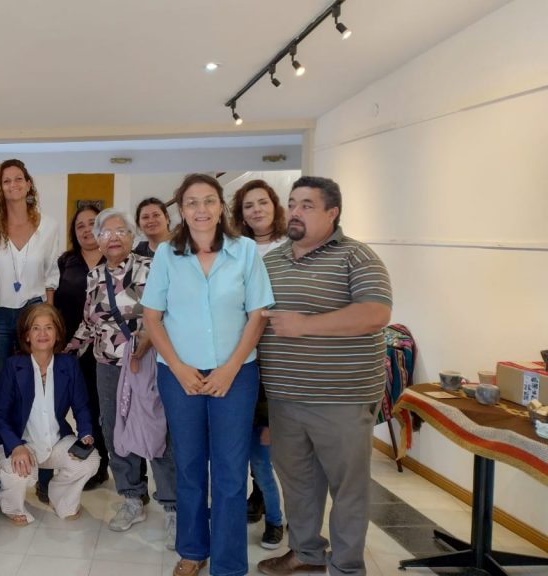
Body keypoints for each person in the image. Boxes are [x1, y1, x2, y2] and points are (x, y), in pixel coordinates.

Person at [256, 176, 392, 576]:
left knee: (347, 489)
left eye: (307, 205)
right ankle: (306, 553)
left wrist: (306, 325)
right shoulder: (271, 261)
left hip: (341, 399)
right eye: (293, 203)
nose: (295, 211)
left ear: (332, 213)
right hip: (284, 399)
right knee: (298, 484)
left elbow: (375, 314)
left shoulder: (357, 257)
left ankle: (347, 567)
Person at [141, 174, 274, 576]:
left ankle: (230, 564)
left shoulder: (245, 251)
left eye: (209, 201)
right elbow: (152, 317)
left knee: (231, 470)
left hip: (236, 374)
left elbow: (257, 316)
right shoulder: (167, 254)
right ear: (181, 210)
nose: (201, 209)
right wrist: (179, 368)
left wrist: (231, 367)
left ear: (221, 207)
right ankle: (193, 549)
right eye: (192, 202)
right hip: (180, 375)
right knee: (191, 465)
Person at [65, 208, 178, 544]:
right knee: (115, 430)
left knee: (157, 430)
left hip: (147, 363)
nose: (112, 237)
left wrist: (145, 344)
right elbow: (89, 323)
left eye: (120, 231)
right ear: (98, 239)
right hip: (108, 366)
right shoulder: (94, 276)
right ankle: (131, 497)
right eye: (106, 232)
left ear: (132, 237)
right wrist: (66, 351)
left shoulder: (152, 267)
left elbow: (167, 312)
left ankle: (173, 506)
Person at [0, 159, 60, 495]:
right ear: (0, 187)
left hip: (34, 313)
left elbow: (51, 275)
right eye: (6, 180)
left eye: (18, 179)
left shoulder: (49, 225)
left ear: (28, 184)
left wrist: (48, 319)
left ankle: (44, 472)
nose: (13, 185)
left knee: (39, 390)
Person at [0, 303, 99, 524]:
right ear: (27, 335)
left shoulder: (68, 365)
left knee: (89, 461)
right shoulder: (14, 365)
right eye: (36, 328)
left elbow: (81, 407)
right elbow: (0, 415)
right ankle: (12, 507)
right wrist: (16, 446)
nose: (42, 334)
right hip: (19, 444)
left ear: (57, 333)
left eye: (48, 327)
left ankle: (60, 499)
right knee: (16, 474)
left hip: (56, 442)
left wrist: (86, 434)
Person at [230, 179, 289, 549]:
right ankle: (257, 498)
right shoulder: (238, 248)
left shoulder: (290, 247)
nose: (256, 210)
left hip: (279, 349)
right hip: (244, 348)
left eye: (262, 203)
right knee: (247, 443)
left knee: (266, 444)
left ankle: (276, 514)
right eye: (248, 205)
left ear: (274, 206)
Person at [53, 204, 110, 490]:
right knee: (83, 408)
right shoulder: (66, 262)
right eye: (80, 226)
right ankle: (93, 463)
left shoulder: (117, 258)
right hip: (72, 349)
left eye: (92, 223)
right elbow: (55, 304)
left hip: (110, 349)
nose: (87, 230)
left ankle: (120, 467)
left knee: (108, 409)